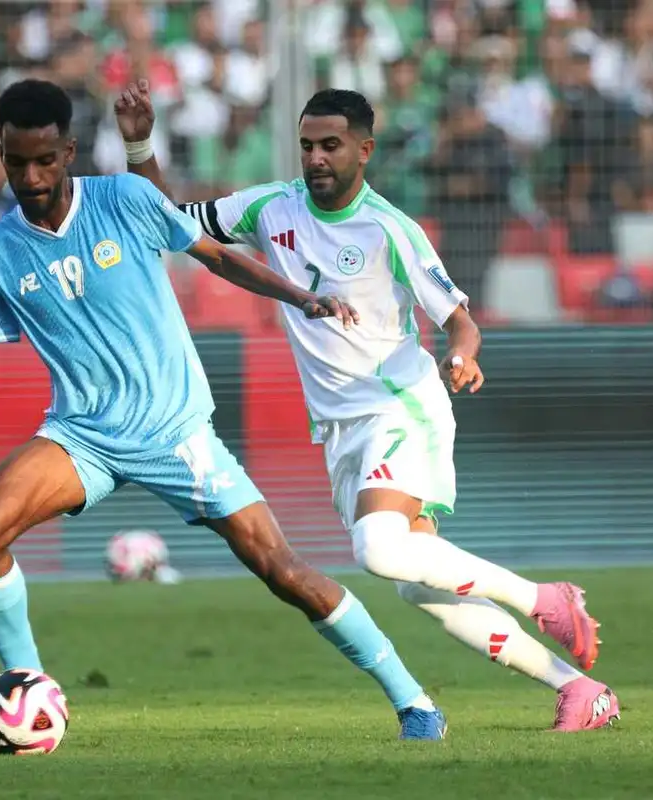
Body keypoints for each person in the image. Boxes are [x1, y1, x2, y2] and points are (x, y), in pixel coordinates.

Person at [0, 79, 449, 741]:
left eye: (45, 160)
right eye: (17, 163)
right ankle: (26, 692)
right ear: (1, 155)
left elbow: (217, 257)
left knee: (282, 570)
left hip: (175, 433)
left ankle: (414, 702)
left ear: (68, 151)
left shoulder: (124, 199)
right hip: (82, 437)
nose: (32, 177)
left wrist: (301, 297)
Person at [116, 81, 620, 731]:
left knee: (378, 549)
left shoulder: (390, 229)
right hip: (339, 429)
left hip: (399, 407)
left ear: (364, 150)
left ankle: (545, 597)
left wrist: (463, 355)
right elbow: (168, 219)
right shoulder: (270, 207)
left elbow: (460, 320)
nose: (316, 158)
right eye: (307, 146)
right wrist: (139, 145)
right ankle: (579, 689)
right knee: (418, 583)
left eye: (330, 145)